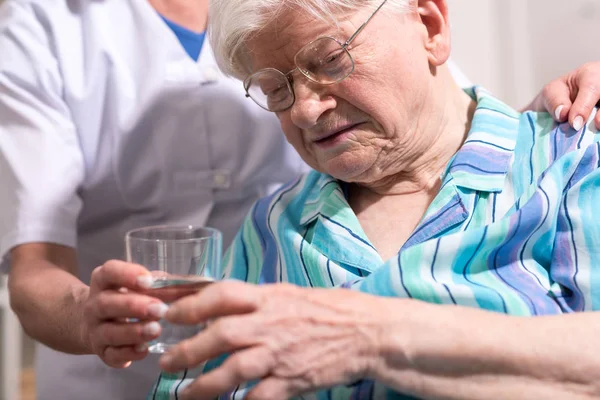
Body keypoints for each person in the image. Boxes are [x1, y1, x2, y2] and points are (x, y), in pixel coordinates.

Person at [0, 0, 598, 399]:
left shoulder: (567, 164)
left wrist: (368, 332)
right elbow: (36, 273)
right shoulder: (272, 230)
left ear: (433, 25)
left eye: (331, 60)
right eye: (274, 88)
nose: (306, 110)